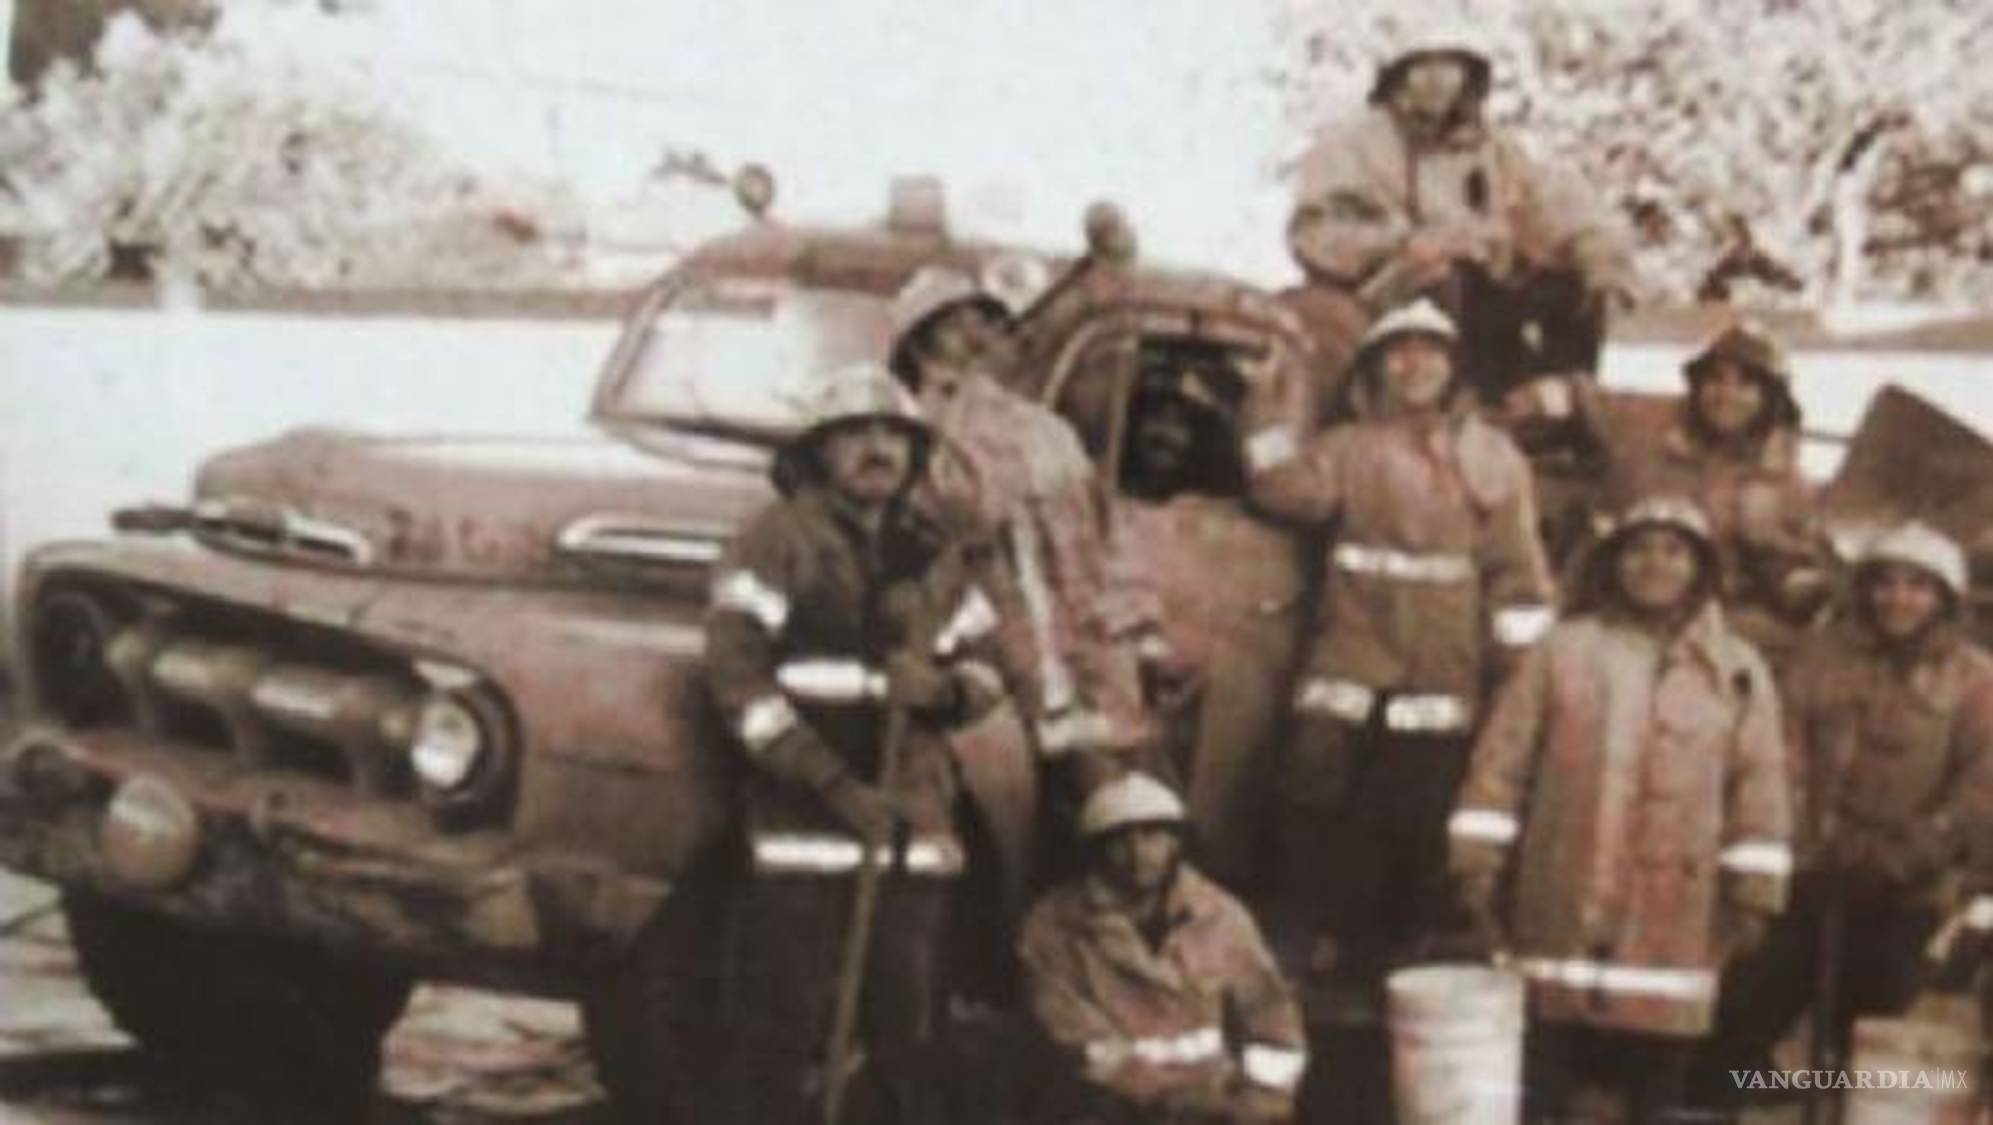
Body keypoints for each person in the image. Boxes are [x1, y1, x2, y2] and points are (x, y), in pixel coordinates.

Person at [703, 363, 1006, 1123]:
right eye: (854, 434)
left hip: (912, 837)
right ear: (817, 453)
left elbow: (990, 667)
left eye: (891, 434)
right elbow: (739, 685)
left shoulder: (933, 552)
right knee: (781, 1040)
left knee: (907, 1040)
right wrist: (835, 785)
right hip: (805, 842)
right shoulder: (775, 541)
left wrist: (939, 691)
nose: (876, 448)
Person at [1244, 297, 1555, 1004]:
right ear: (1375, 367)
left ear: (1453, 368)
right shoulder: (1347, 447)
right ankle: (1318, 949)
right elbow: (1278, 490)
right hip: (1345, 664)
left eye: (1430, 351)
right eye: (1398, 351)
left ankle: (1399, 961)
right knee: (1309, 796)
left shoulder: (1492, 458)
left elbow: (1517, 571)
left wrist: (1519, 677)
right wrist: (1265, 413)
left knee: (1418, 812)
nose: (1414, 365)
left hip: (1439, 674)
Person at [1448, 494, 1791, 1124]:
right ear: (1612, 564)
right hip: (1561, 898)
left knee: (1652, 1086)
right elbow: (1501, 763)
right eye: (1637, 549)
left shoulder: (1739, 672)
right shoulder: (1563, 652)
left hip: (1678, 921)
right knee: (1549, 1077)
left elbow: (1760, 786)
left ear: (1700, 569)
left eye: (1672, 551)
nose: (1653, 564)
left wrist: (1755, 893)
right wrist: (1477, 860)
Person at [1698, 521, 1993, 1107]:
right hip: (1808, 880)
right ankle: (1741, 1101)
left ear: (1944, 599)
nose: (1898, 599)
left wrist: (1908, 855)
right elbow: (1782, 746)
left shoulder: (1976, 683)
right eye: (1886, 583)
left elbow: (1979, 791)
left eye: (1917, 586)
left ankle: (1836, 1106)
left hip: (1905, 894)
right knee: (1739, 1024)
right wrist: (1801, 838)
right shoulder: (1821, 659)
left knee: (1864, 1046)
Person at [890, 265, 1155, 792]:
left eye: (984, 321)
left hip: (1081, 668)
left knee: (1113, 810)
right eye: (955, 324)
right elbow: (965, 524)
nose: (977, 335)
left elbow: (1098, 538)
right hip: (986, 675)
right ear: (920, 349)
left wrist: (1122, 634)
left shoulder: (1047, 431)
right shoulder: (912, 436)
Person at [1283, 28, 1636, 418]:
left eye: (1448, 67)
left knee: (1569, 289)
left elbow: (1550, 201)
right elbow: (1314, 234)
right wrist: (1404, 241)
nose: (1437, 81)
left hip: (1485, 289)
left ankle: (1559, 410)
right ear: (1399, 73)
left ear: (1468, 75)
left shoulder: (1491, 147)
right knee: (1451, 279)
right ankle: (1472, 413)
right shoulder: (1352, 144)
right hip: (1386, 292)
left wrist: (1594, 251)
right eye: (1424, 67)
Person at [1019, 772, 1307, 1123]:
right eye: (1120, 839)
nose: (1138, 852)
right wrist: (1164, 1094)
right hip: (1106, 1110)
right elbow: (1076, 1039)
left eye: (1153, 834)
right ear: (1096, 850)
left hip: (1218, 1106)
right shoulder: (1056, 925)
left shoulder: (1220, 915)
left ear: (1176, 842)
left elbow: (1270, 1011)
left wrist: (1264, 1097)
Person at [1601, 318, 1832, 668]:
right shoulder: (1651, 426)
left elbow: (1785, 568)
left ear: (1770, 399)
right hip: (1618, 595)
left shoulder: (1781, 481)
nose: (1726, 395)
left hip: (1712, 620)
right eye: (1715, 379)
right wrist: (1548, 397)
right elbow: (1587, 401)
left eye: (1745, 385)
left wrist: (1801, 585)